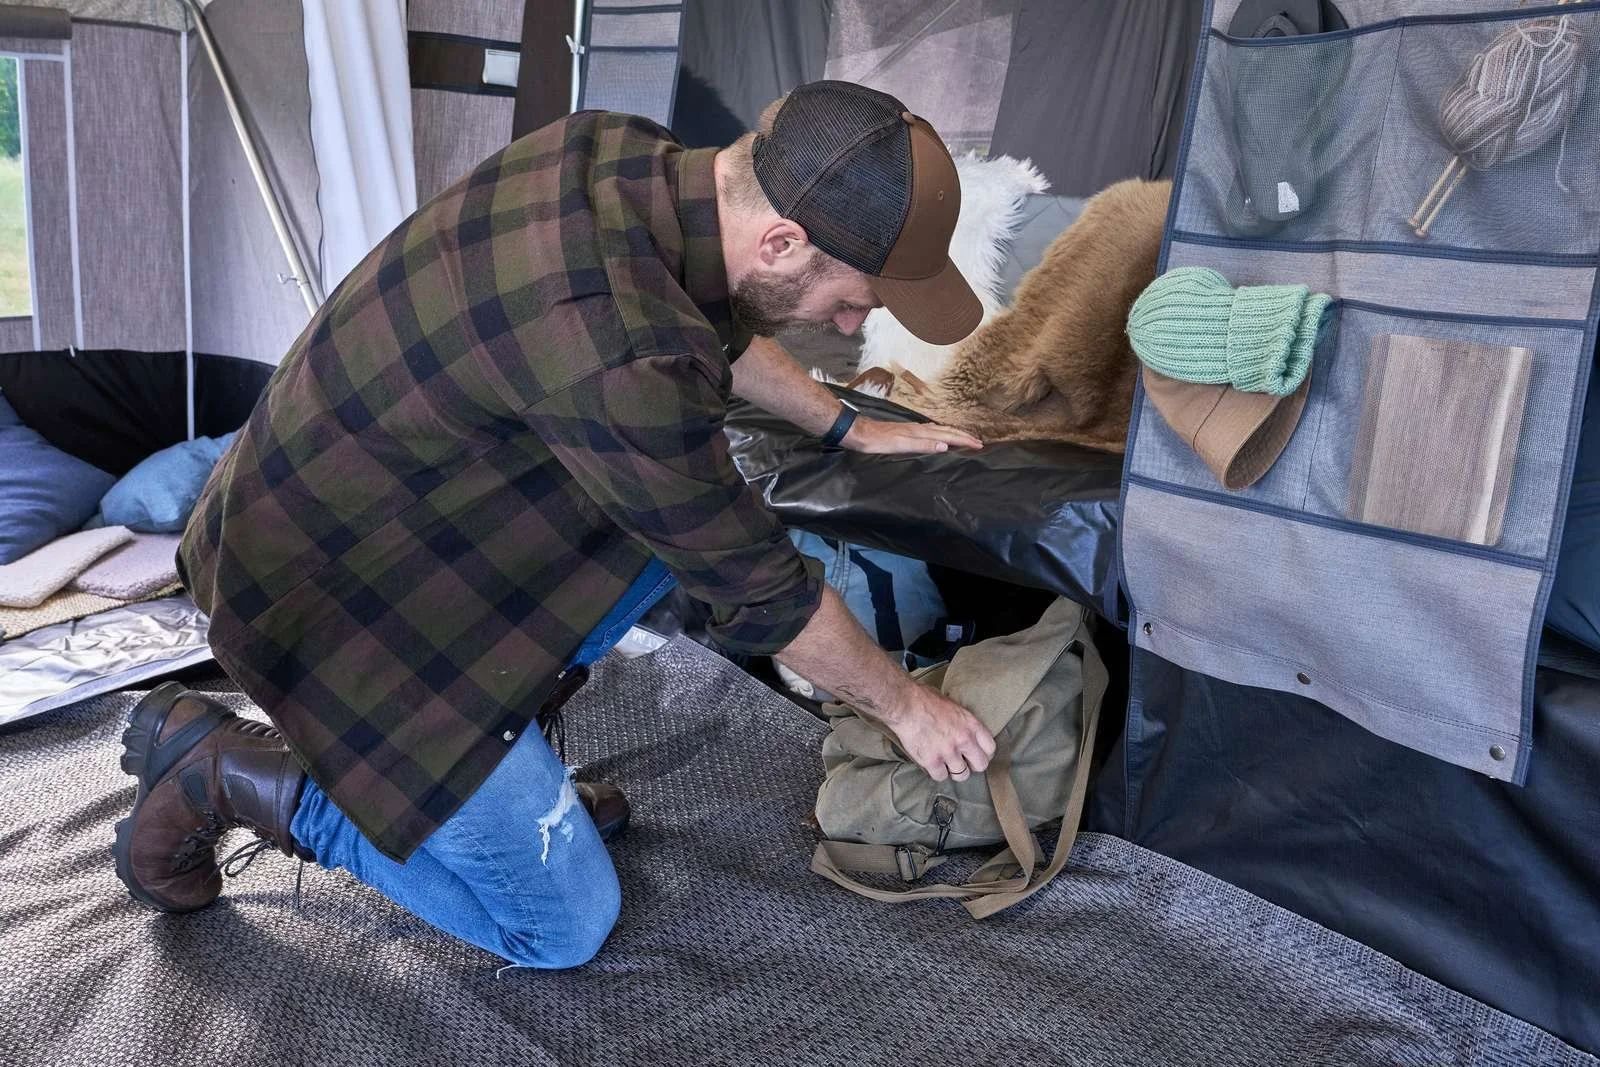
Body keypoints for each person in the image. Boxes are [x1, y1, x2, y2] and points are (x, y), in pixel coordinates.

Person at [113, 80, 997, 968]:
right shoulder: (624, 347)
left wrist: (845, 424)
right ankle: (231, 769)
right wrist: (909, 708)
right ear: (780, 241)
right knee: (561, 927)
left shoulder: (622, 154)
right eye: (854, 299)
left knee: (671, 531)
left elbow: (712, 331)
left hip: (371, 509)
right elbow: (767, 595)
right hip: (331, 603)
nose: (852, 322)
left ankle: (504, 765)